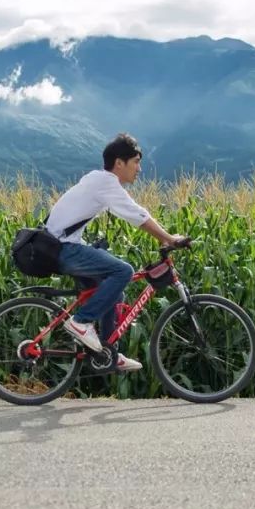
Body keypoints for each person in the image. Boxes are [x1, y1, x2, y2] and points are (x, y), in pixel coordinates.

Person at [45, 133, 187, 372]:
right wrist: (168, 238)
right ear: (119, 163)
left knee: (115, 294)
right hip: (64, 249)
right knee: (123, 271)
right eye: (136, 162)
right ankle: (81, 322)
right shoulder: (106, 182)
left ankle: (108, 352)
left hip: (63, 245)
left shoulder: (97, 179)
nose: (139, 169)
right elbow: (135, 214)